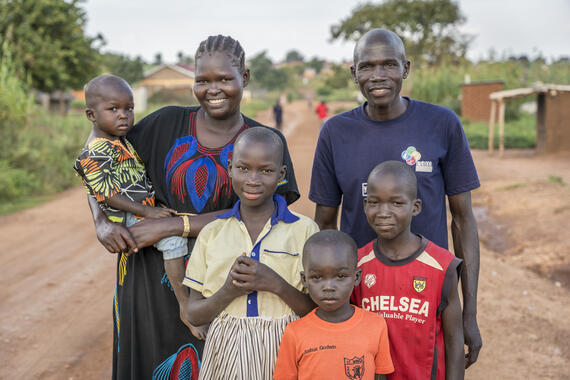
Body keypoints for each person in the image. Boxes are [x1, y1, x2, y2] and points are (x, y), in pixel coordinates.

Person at [86, 35, 300, 379]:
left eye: (224, 79)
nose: (213, 89)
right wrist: (101, 221)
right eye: (203, 80)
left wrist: (173, 225)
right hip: (146, 282)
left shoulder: (264, 142)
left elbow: (265, 215)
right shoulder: (162, 124)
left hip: (221, 290)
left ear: (244, 77)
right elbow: (100, 158)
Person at [309, 28, 482, 367]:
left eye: (388, 65)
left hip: (426, 298)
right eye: (367, 66)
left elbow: (462, 220)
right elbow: (324, 224)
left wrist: (469, 312)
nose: (378, 76)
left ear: (406, 68)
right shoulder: (335, 132)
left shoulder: (442, 124)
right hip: (360, 299)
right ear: (353, 72)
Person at [182, 127, 319, 379]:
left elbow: (316, 310)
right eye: (244, 168)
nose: (253, 180)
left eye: (266, 171)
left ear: (281, 174)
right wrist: (228, 292)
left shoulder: (304, 230)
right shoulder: (212, 233)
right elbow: (193, 313)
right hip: (226, 349)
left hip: (288, 346)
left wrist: (277, 285)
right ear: (230, 167)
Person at [351, 161, 464, 379]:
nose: (384, 212)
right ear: (365, 205)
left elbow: (455, 342)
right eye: (374, 202)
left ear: (415, 207)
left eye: (396, 203)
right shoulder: (356, 264)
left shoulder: (441, 265)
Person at [74, 74, 190, 285]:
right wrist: (147, 211)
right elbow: (105, 193)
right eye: (113, 109)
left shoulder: (119, 140)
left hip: (139, 207)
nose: (123, 115)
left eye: (129, 108)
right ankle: (184, 299)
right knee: (173, 241)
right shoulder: (96, 150)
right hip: (129, 213)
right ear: (91, 115)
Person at [274, 230, 394, 380]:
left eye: (340, 276)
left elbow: (380, 376)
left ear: (356, 277)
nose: (329, 286)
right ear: (304, 280)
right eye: (317, 277)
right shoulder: (294, 333)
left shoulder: (376, 325)